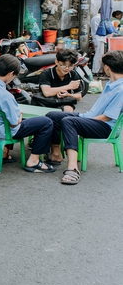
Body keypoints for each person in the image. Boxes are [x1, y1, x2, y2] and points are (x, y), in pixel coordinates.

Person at [45, 50, 123, 185]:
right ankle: (56, 154)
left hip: (105, 127)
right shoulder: (111, 84)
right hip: (91, 118)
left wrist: (84, 121)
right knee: (53, 115)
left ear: (107, 67)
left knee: (69, 121)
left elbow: (107, 117)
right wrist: (84, 119)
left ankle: (73, 168)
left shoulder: (120, 88)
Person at [0, 54, 55, 172]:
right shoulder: (6, 96)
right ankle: (34, 161)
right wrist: (20, 116)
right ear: (11, 73)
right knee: (46, 122)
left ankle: (4, 154)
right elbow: (14, 123)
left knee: (16, 120)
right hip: (4, 131)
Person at [91, 8, 106, 76]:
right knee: (98, 55)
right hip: (99, 38)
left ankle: (98, 70)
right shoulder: (98, 18)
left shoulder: (96, 18)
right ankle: (96, 71)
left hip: (98, 38)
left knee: (99, 55)